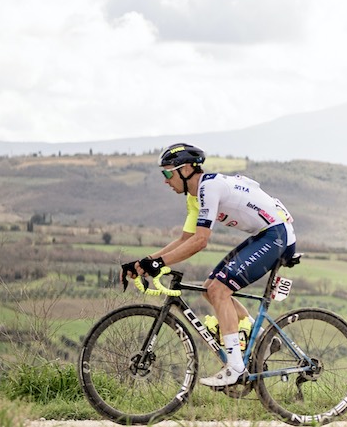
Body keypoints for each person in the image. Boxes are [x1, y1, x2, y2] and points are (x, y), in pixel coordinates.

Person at [118, 143, 296, 389]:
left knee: (219, 290)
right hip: (264, 234)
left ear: (186, 169)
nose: (165, 180)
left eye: (168, 173)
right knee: (210, 287)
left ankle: (235, 368)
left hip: (276, 235)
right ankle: (265, 340)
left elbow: (201, 241)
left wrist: (158, 264)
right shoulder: (194, 197)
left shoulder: (209, 187)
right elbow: (185, 239)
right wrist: (145, 263)